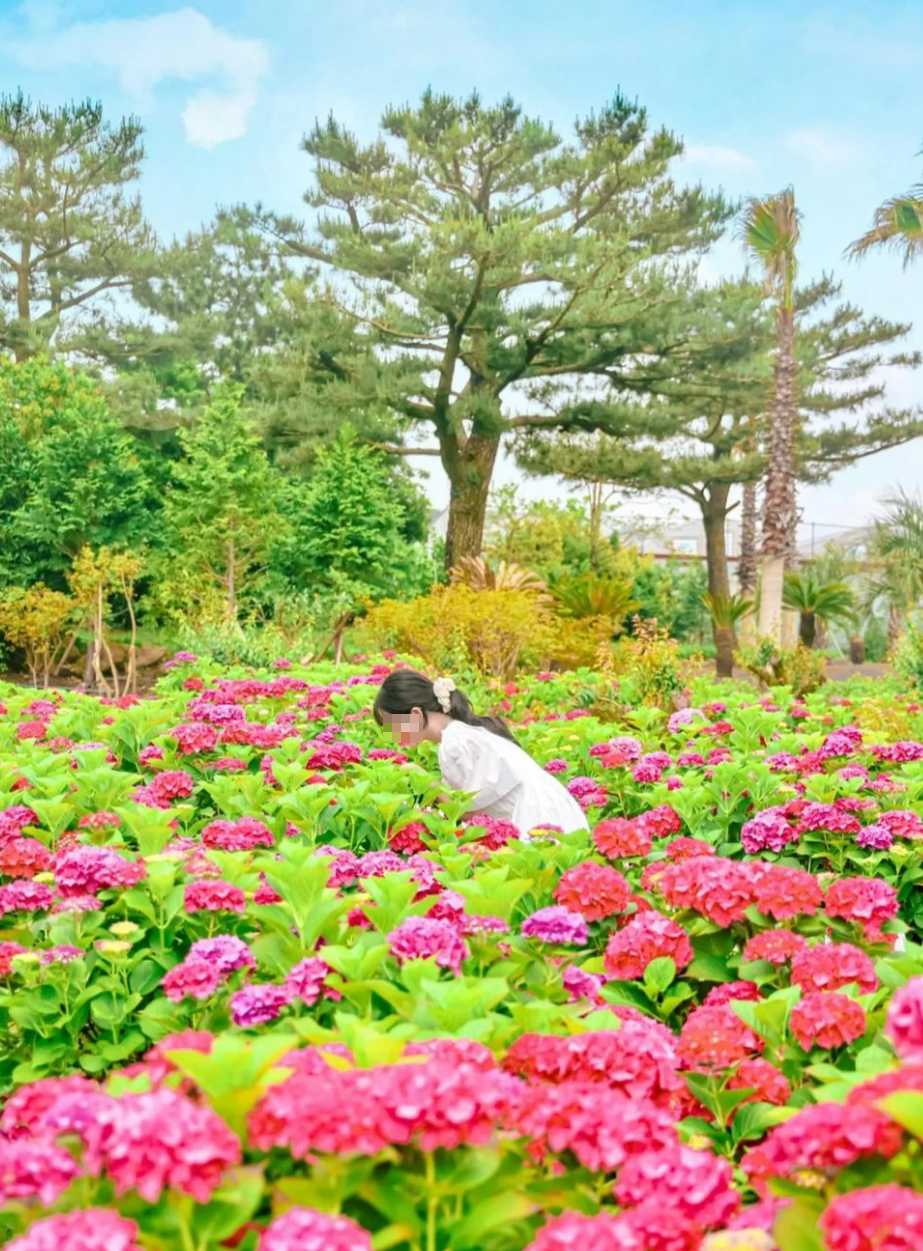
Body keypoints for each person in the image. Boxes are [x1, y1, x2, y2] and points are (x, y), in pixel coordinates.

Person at [373, 669, 588, 834]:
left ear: (415, 715)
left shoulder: (455, 742)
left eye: (391, 725)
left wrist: (423, 780)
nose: (390, 734)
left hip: (538, 817)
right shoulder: (462, 733)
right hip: (552, 810)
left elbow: (467, 812)